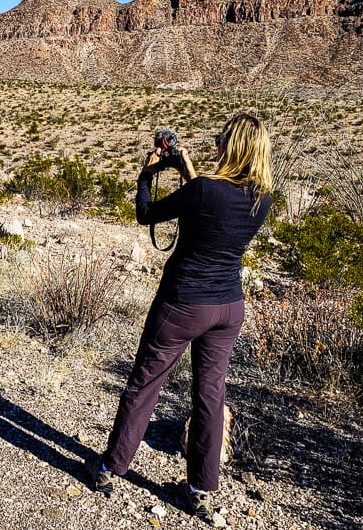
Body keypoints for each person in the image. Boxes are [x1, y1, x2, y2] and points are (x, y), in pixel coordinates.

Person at [85, 113, 272, 522]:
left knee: (146, 382)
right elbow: (212, 212)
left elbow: (147, 213)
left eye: (223, 137)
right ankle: (201, 488)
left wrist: (147, 175)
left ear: (233, 145)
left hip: (184, 302)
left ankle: (110, 468)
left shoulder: (205, 190)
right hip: (228, 309)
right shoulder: (261, 199)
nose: (217, 141)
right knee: (210, 396)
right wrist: (187, 169)